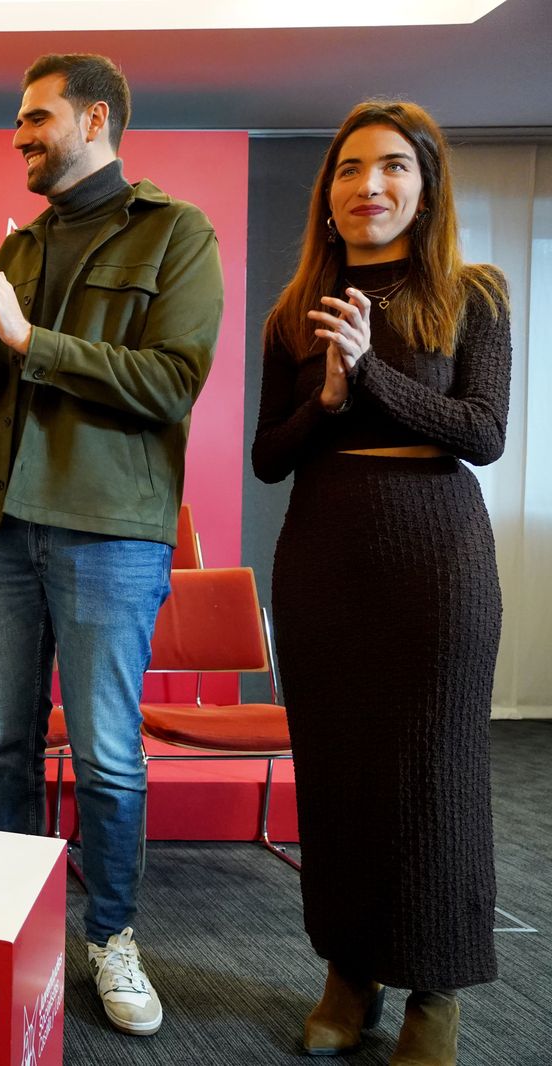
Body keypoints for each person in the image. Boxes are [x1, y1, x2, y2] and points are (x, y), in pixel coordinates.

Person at [0, 53, 222, 1038]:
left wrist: (27, 340)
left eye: (35, 119)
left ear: (93, 118)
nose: (18, 135)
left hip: (110, 533)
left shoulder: (176, 232)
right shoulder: (14, 251)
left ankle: (110, 936)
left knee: (107, 757)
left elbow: (170, 382)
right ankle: (15, 932)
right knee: (3, 746)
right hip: (0, 534)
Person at [253, 100, 509, 1066]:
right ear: (328, 196)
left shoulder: (473, 294)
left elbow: (482, 433)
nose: (371, 186)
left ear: (425, 186)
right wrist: (323, 397)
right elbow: (268, 457)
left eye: (394, 167)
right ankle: (349, 976)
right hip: (325, 554)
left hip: (435, 560)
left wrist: (369, 376)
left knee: (434, 775)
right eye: (352, 169)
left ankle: (435, 994)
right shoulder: (293, 309)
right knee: (341, 777)